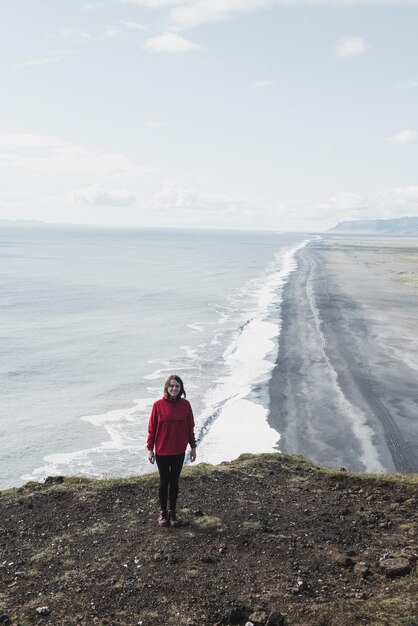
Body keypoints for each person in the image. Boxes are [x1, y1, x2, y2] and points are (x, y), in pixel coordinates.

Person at [147, 374, 197, 527]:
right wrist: (150, 449)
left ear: (181, 389)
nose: (174, 388)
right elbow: (152, 429)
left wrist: (193, 447)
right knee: (164, 482)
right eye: (171, 386)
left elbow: (190, 428)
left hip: (179, 451)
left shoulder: (186, 405)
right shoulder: (157, 405)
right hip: (162, 451)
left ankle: (173, 512)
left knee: (174, 482)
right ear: (166, 388)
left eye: (177, 386)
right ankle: (163, 512)